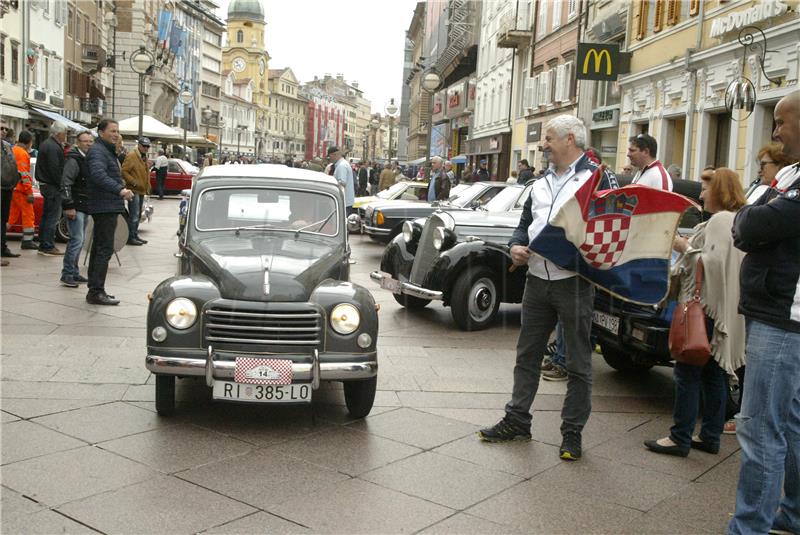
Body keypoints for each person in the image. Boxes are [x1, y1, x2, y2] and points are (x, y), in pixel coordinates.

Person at [478, 115, 618, 462]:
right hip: (537, 280)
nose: (544, 145)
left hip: (575, 283)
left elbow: (614, 225)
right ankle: (517, 420)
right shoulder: (539, 183)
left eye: (549, 138)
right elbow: (523, 227)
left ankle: (572, 433)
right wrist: (515, 246)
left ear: (570, 139)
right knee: (527, 355)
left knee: (579, 363)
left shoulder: (597, 178)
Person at [728, 91, 800, 535]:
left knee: (759, 432)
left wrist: (752, 215)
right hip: (775, 312)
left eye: (781, 122)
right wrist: (752, 215)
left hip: (782, 319)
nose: (775, 132)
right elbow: (750, 217)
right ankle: (792, 516)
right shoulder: (790, 174)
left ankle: (749, 528)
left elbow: (751, 223)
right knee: (789, 424)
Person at [644, 167, 747, 458]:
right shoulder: (737, 219)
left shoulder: (720, 221)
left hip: (704, 308)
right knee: (713, 375)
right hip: (722, 308)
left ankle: (680, 438)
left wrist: (682, 245)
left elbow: (709, 263)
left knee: (687, 372)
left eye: (705, 189)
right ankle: (710, 435)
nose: (700, 195)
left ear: (720, 191)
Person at [86, 119, 133, 306]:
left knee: (100, 248)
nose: (116, 134)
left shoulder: (105, 150)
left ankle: (96, 289)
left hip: (107, 204)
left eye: (117, 131)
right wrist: (119, 190)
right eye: (112, 131)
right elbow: (98, 175)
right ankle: (96, 291)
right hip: (104, 205)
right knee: (104, 249)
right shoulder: (98, 151)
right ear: (101, 132)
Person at [60, 131, 94, 288]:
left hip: (84, 204)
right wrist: (68, 205)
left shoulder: (86, 159)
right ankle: (67, 273)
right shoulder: (74, 160)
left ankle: (73, 271)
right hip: (75, 204)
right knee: (77, 239)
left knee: (79, 241)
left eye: (90, 141)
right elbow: (65, 182)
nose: (88, 144)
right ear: (78, 142)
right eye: (85, 141)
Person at [35, 121, 68, 255]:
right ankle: (47, 245)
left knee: (47, 215)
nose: (65, 136)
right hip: (52, 186)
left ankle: (44, 244)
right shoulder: (53, 147)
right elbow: (54, 169)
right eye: (64, 134)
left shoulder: (47, 144)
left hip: (46, 184)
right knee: (52, 217)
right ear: (59, 134)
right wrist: (62, 184)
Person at [121, 137, 152, 246]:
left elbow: (145, 173)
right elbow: (124, 171)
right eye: (144, 146)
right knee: (134, 215)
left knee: (138, 215)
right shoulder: (132, 155)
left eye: (148, 146)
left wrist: (148, 185)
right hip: (134, 190)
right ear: (139, 145)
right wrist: (133, 182)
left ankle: (134, 234)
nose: (146, 148)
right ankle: (130, 237)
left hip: (141, 189)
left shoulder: (143, 157)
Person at [10, 130, 37, 251]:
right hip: (21, 190)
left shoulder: (12, 149)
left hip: (12, 187)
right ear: (29, 142)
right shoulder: (23, 154)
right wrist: (29, 192)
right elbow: (25, 175)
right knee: (28, 214)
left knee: (11, 216)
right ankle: (27, 241)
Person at [1, 119, 21, 264]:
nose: (4, 131)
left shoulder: (7, 146)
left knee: (3, 219)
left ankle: (2, 247)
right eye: (1, 128)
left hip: (7, 187)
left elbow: (12, 164)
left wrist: (15, 180)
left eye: (5, 129)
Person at [327, 145, 355, 215]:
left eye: (329, 156)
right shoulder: (342, 164)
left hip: (343, 202)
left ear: (334, 155)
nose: (329, 159)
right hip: (345, 201)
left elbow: (342, 183)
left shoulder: (341, 166)